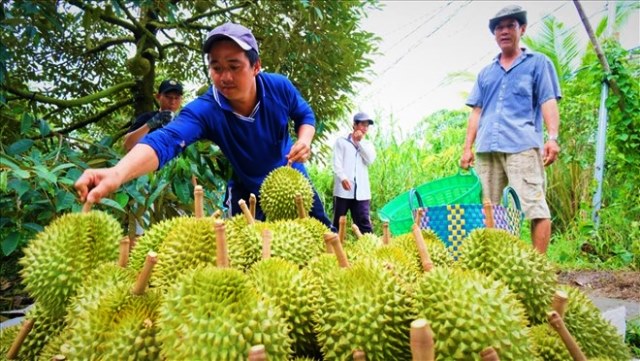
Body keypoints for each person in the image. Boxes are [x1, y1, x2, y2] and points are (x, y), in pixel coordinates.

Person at [75, 22, 333, 227]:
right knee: (248, 260)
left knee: (322, 237)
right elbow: (166, 140)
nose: (225, 77)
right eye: (216, 68)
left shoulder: (278, 87)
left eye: (234, 66)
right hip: (247, 191)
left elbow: (305, 116)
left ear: (256, 66)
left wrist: (304, 140)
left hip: (293, 177)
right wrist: (117, 173)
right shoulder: (206, 109)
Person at [459, 4, 561, 254]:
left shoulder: (538, 63)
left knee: (534, 207)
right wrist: (467, 148)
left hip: (522, 146)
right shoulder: (486, 73)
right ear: (494, 35)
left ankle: (538, 269)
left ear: (522, 29)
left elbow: (548, 100)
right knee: (491, 210)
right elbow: (477, 112)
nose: (504, 31)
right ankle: (500, 264)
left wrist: (553, 137)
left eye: (510, 26)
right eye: (499, 28)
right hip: (487, 149)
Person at [332, 112, 376, 233]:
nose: (365, 128)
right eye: (362, 124)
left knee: (364, 224)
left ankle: (371, 250)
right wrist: (343, 178)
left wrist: (359, 142)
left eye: (367, 125)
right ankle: (334, 248)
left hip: (362, 192)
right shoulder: (341, 142)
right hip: (343, 190)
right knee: (337, 223)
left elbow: (370, 160)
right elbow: (337, 163)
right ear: (354, 125)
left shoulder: (368, 145)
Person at [122, 79, 184, 152]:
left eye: (176, 98)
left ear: (181, 99)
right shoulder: (147, 117)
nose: (172, 102)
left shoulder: (182, 123)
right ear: (158, 97)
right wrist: (150, 124)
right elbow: (127, 145)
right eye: (168, 97)